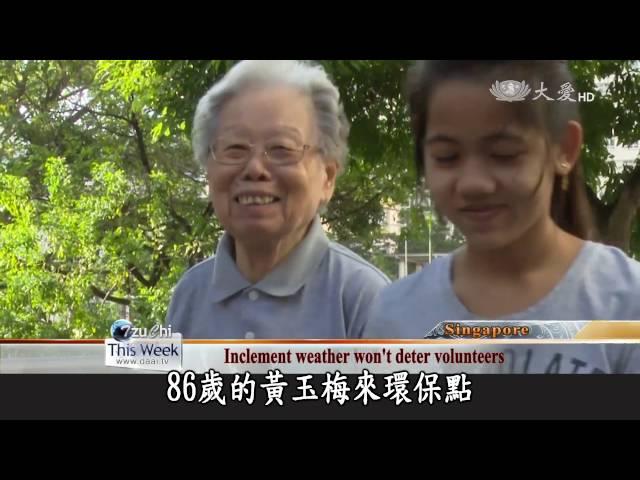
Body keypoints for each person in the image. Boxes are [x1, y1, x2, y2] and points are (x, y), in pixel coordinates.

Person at [363, 60, 640, 373]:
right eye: (447, 157)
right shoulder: (395, 313)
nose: (473, 183)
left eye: (504, 154)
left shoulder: (626, 302)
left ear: (564, 149)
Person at [166, 60, 389, 338]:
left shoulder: (365, 301)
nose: (255, 169)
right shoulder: (190, 294)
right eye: (234, 148)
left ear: (327, 177)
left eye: (282, 148)